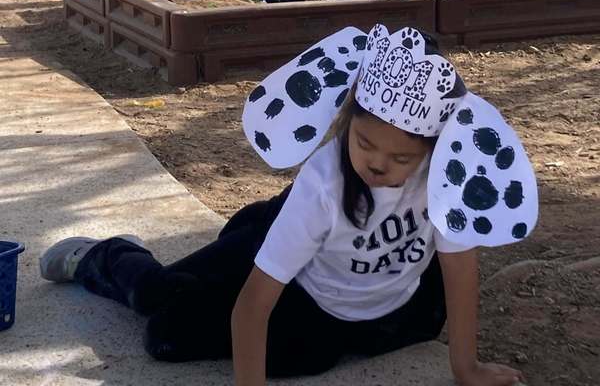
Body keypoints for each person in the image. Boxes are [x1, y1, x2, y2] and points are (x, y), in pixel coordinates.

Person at [39, 24, 537, 386]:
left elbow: (460, 269)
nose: (379, 165)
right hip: (307, 265)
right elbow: (255, 305)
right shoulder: (323, 183)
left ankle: (256, 229)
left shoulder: (446, 172)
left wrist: (465, 367)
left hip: (387, 307)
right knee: (165, 325)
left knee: (315, 347)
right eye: (364, 144)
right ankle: (108, 256)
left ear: (433, 149)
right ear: (346, 121)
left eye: (402, 157)